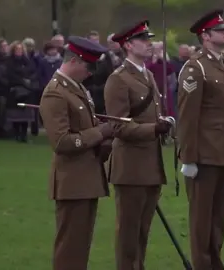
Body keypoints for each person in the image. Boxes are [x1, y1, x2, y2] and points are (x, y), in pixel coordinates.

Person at [39, 36, 114, 270]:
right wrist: (99, 133)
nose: (91, 73)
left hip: (85, 178)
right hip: (72, 181)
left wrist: (101, 141)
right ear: (74, 61)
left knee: (80, 246)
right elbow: (61, 141)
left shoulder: (76, 88)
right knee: (70, 248)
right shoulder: (55, 93)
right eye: (88, 66)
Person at [103, 20, 172, 270]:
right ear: (129, 45)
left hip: (151, 165)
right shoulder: (118, 79)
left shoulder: (148, 74)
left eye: (149, 39)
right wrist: (154, 128)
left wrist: (163, 123)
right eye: (143, 40)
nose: (149, 44)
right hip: (131, 167)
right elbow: (118, 127)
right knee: (128, 234)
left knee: (143, 230)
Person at [176, 9, 224, 270]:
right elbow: (188, 117)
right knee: (202, 219)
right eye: (219, 30)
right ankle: (202, 264)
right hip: (204, 154)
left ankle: (214, 262)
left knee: (218, 217)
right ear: (205, 36)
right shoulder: (195, 67)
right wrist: (188, 157)